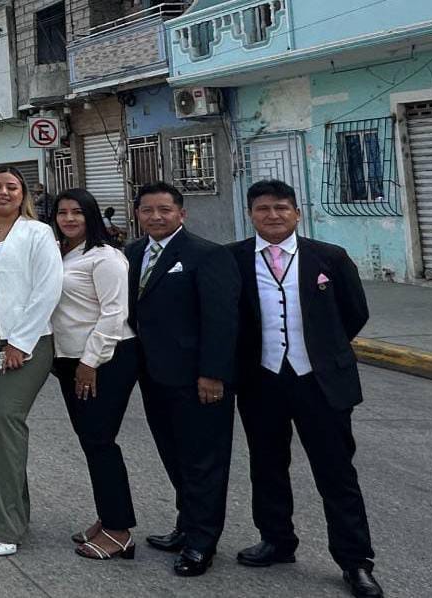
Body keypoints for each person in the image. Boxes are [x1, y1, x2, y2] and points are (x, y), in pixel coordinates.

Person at [228, 180, 382, 597]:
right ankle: (276, 539)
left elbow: (354, 312)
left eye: (281, 207)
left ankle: (355, 561)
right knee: (267, 464)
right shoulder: (234, 259)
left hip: (320, 382)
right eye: (263, 208)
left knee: (336, 471)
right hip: (262, 380)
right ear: (250, 214)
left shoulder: (329, 258)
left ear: (297, 213)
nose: (273, 215)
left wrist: (323, 350)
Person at [125, 181, 239, 577]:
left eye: (165, 210)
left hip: (198, 379)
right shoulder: (133, 253)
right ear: (138, 214)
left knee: (203, 461)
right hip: (155, 375)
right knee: (174, 454)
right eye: (148, 210)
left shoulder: (207, 254)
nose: (156, 217)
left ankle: (202, 542)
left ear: (181, 214)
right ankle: (187, 524)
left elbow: (222, 321)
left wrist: (213, 374)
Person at [0, 166, 64, 557]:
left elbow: (48, 288)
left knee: (7, 418)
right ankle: (16, 512)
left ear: (23, 194)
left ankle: (6, 527)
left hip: (26, 339)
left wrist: (20, 343)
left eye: (11, 187)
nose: (3, 192)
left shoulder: (37, 233)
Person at [49, 188, 141, 560]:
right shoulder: (62, 252)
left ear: (91, 216)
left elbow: (114, 314)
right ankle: (107, 517)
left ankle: (119, 531)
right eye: (62, 212)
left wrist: (89, 363)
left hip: (106, 358)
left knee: (101, 440)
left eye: (78, 212)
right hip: (70, 358)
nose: (69, 219)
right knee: (90, 440)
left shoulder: (106, 257)